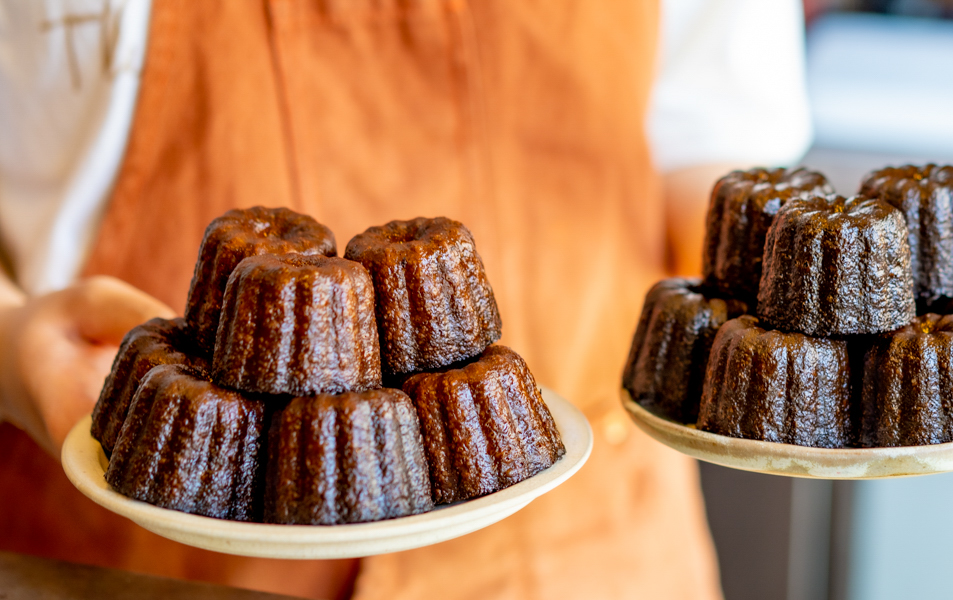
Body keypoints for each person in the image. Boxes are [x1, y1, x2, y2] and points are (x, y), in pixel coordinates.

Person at [0, 0, 811, 597]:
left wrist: (804, 296)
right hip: (145, 548)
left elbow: (710, 133)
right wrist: (9, 342)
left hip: (592, 549)